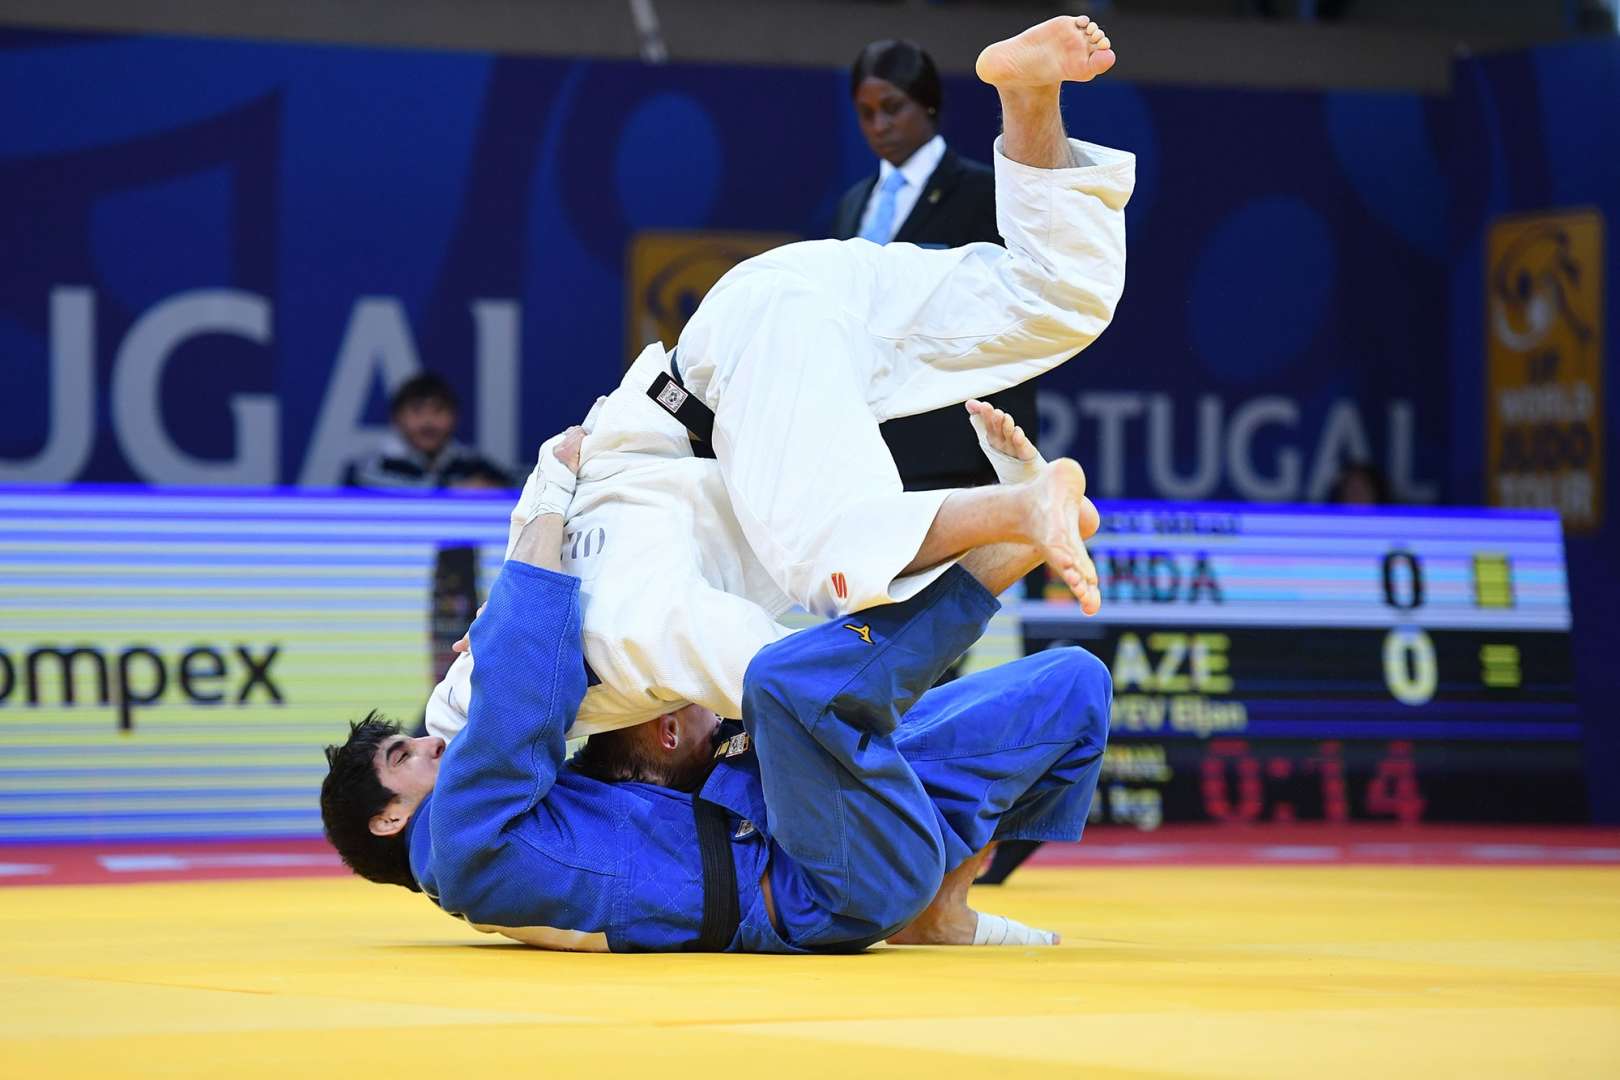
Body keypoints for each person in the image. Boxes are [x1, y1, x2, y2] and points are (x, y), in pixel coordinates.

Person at [424, 12, 1132, 744]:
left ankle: (1021, 509)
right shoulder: (534, 589)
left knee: (837, 571)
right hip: (784, 312)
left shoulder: (614, 639)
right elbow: (556, 468)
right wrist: (501, 615)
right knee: (1059, 298)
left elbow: (788, 678)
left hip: (741, 379)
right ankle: (1028, 92)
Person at [321, 424, 1112, 953]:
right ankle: (1014, 524)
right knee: (782, 685)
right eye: (405, 754)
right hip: (811, 887)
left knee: (1076, 685)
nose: (429, 740)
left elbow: (545, 687)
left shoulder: (496, 833)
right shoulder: (457, 849)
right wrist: (548, 499)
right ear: (391, 817)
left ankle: (943, 906)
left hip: (817, 823)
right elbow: (524, 694)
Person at [832, 38, 1038, 494]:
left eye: (893, 107)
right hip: (871, 446)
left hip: (957, 446)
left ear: (927, 104)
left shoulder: (985, 194)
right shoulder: (852, 206)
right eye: (866, 113)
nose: (879, 125)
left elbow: (1018, 314)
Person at [342, 373, 515, 491]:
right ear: (396, 418)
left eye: (439, 411)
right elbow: (371, 486)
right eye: (417, 411)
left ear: (455, 417)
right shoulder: (373, 466)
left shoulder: (473, 465)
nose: (428, 422)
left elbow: (515, 486)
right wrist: (451, 490)